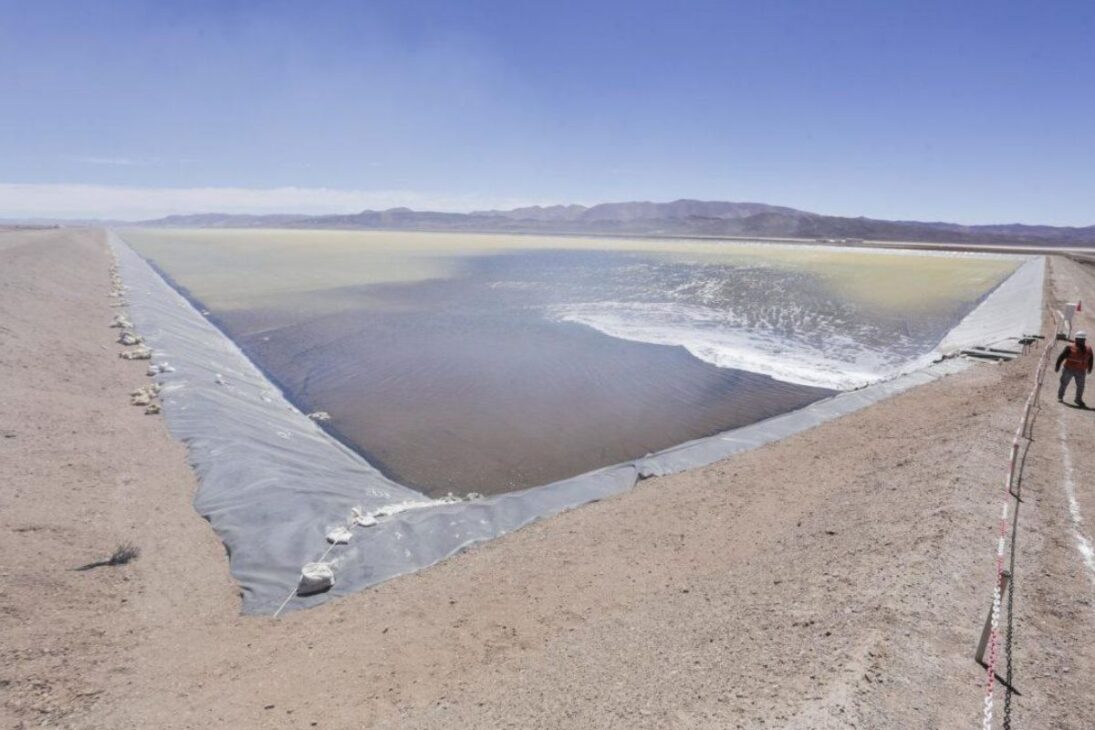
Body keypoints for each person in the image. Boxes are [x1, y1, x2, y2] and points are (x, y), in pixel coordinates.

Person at [1056, 330, 1094, 407]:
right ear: (1076, 339)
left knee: (1081, 386)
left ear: (1084, 340)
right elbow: (1061, 357)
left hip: (1081, 371)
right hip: (1068, 369)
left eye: (1082, 340)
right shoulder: (1069, 347)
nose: (1081, 341)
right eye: (1079, 339)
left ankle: (1078, 399)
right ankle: (1060, 396)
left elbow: (1091, 359)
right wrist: (1057, 366)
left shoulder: (1088, 349)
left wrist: (1090, 368)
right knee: (1064, 383)